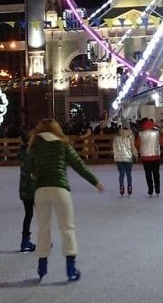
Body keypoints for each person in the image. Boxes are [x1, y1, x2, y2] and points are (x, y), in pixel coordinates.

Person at [24, 118, 104, 282]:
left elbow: (29, 168)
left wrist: (37, 174)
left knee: (43, 228)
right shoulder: (62, 144)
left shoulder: (34, 145)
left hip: (41, 190)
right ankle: (70, 268)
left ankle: (42, 266)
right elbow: (79, 165)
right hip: (60, 189)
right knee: (67, 228)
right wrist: (95, 182)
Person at [17, 133, 37, 250]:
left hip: (24, 188)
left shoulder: (21, 153)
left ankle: (25, 241)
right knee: (42, 214)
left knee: (28, 214)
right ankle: (43, 239)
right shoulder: (32, 153)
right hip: (33, 188)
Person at [136, 118, 163, 196]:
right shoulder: (156, 132)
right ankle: (157, 188)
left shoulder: (141, 133)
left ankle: (150, 189)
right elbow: (162, 143)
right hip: (155, 156)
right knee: (156, 173)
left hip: (145, 157)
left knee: (148, 174)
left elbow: (137, 144)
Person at [112, 125, 136, 196]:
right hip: (128, 158)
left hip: (119, 158)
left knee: (121, 174)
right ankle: (129, 187)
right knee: (129, 174)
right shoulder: (130, 136)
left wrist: (116, 156)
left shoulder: (116, 137)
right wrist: (135, 155)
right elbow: (133, 147)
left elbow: (114, 148)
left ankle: (121, 187)